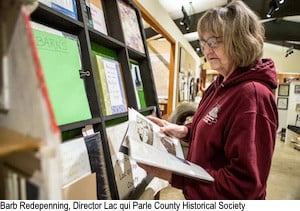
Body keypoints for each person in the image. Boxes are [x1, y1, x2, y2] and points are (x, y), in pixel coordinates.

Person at [140, 0, 278, 199]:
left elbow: (244, 187)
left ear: (239, 40)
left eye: (214, 41)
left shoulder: (253, 95)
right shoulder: (218, 85)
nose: (206, 49)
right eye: (203, 42)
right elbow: (215, 127)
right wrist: (185, 130)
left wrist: (173, 175)